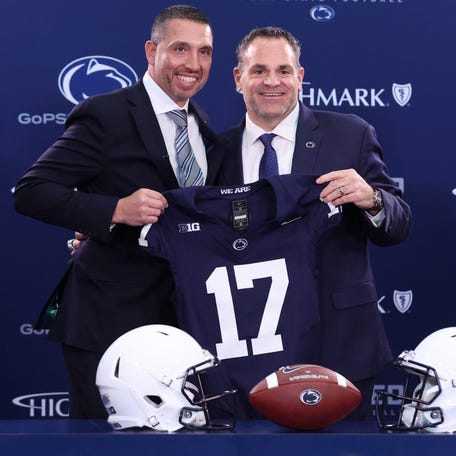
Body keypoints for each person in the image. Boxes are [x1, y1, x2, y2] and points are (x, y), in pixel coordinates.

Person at [13, 5, 222, 419]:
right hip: (107, 319)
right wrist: (115, 209)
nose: (193, 64)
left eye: (205, 52)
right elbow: (31, 191)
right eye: (181, 49)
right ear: (151, 51)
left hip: (181, 323)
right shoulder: (105, 113)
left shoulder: (202, 125)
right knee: (105, 445)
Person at [214, 27, 412, 419]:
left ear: (300, 77)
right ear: (238, 79)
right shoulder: (213, 151)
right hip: (246, 348)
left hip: (340, 344)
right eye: (258, 71)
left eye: (284, 71)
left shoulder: (350, 134)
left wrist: (371, 198)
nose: (272, 82)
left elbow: (399, 223)